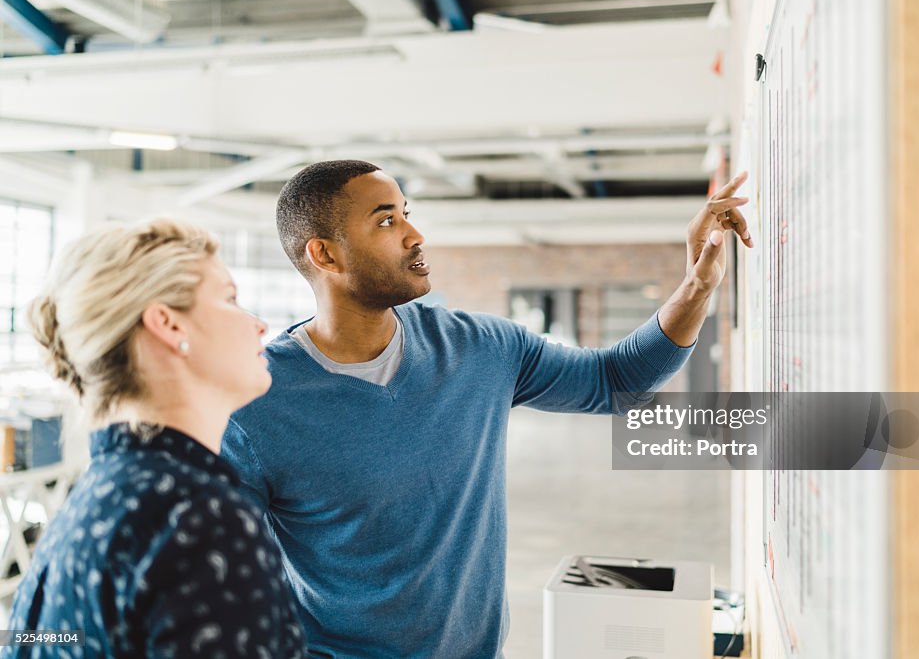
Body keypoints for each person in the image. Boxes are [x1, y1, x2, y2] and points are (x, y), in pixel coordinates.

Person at [221, 160, 752, 658]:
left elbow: (615, 382)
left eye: (407, 214)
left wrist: (698, 286)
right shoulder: (253, 403)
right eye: (386, 221)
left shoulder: (480, 348)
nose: (414, 235)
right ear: (325, 255)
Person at [5, 219, 306, 658]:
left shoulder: (102, 499)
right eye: (229, 299)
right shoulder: (199, 519)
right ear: (168, 324)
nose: (258, 325)